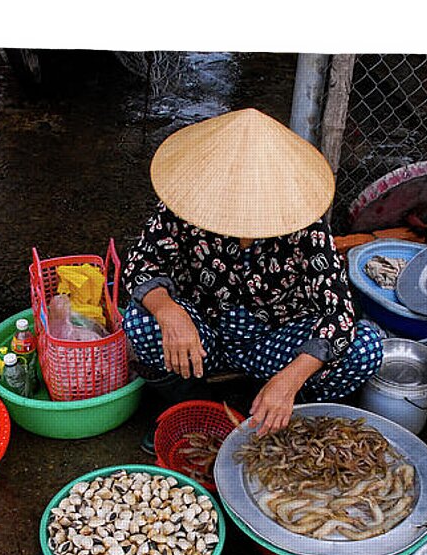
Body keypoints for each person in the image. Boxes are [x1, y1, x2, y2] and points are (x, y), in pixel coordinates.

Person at [121, 108, 384, 449]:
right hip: (205, 337)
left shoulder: (305, 227)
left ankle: (287, 409)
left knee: (364, 347)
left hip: (273, 343)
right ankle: (189, 405)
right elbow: (141, 264)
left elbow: (340, 314)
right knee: (141, 320)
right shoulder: (184, 208)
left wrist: (288, 381)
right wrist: (169, 311)